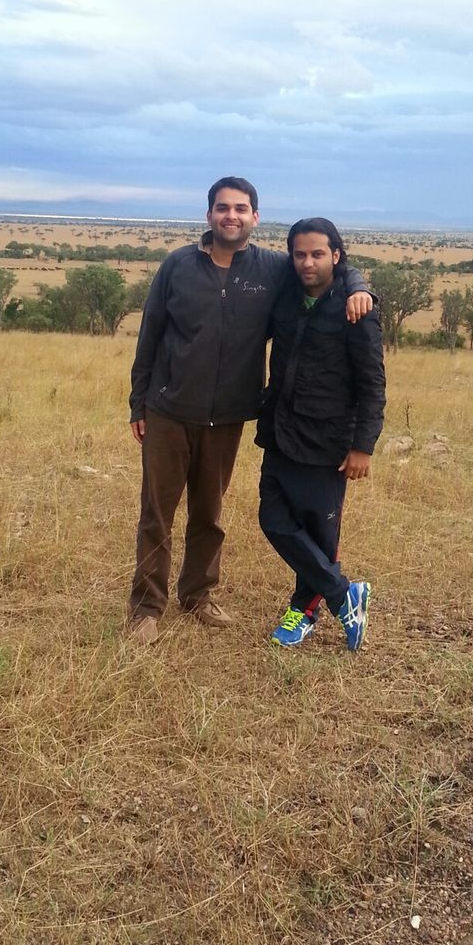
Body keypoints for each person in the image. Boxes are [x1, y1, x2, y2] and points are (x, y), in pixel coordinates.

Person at [127, 178, 373, 644]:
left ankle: (198, 595)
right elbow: (151, 335)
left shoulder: (272, 267)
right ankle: (145, 608)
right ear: (209, 216)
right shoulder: (177, 266)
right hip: (169, 410)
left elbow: (325, 263)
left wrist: (361, 287)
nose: (231, 216)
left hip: (229, 416)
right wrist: (138, 400)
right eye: (223, 208)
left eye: (241, 208)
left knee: (209, 513)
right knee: (157, 514)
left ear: (255, 217)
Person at [256, 217, 385, 652]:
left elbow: (372, 384)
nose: (307, 262)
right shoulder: (286, 295)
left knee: (318, 533)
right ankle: (343, 593)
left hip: (327, 440)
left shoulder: (356, 308)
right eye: (299, 254)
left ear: (336, 255)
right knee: (272, 520)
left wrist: (363, 446)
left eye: (317, 254)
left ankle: (303, 611)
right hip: (280, 430)